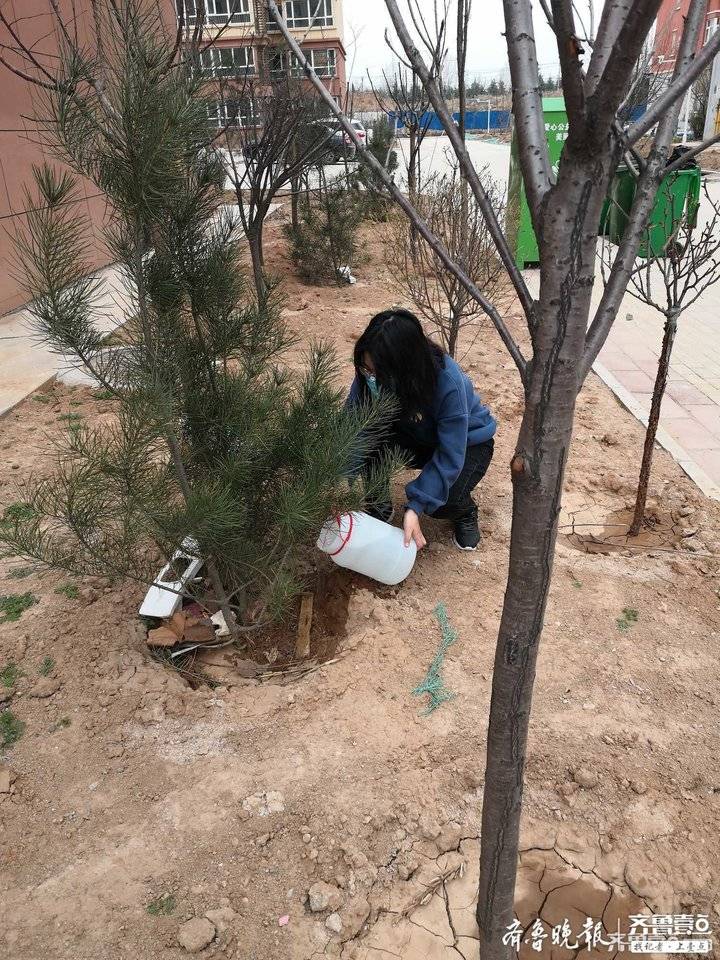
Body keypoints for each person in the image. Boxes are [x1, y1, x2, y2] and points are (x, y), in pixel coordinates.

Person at [346, 309, 496, 551]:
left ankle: (464, 511)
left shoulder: (449, 384)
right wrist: (334, 473)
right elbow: (355, 425)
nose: (370, 377)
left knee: (442, 502)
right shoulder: (371, 374)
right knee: (371, 434)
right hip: (416, 434)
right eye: (366, 369)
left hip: (467, 444)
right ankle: (378, 504)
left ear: (404, 368)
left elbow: (450, 454)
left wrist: (417, 505)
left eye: (377, 373)